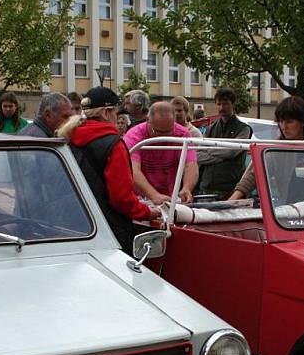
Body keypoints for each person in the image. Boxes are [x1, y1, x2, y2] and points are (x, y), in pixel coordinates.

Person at [56, 87, 159, 252]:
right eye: (116, 112)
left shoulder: (69, 138)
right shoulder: (113, 144)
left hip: (72, 226)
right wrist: (147, 212)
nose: (118, 117)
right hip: (107, 231)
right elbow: (122, 198)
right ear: (106, 112)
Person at [230, 96, 304, 203]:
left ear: (302, 122)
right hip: (292, 211)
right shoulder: (277, 148)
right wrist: (233, 200)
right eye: (281, 121)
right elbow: (254, 174)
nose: (284, 127)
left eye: (289, 122)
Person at [124, 101, 199, 204]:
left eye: (169, 132)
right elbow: (132, 169)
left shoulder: (183, 134)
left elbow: (191, 164)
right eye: (158, 132)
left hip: (168, 196)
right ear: (148, 120)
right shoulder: (134, 135)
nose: (163, 138)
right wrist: (153, 194)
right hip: (138, 198)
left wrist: (187, 188)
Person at [196, 88, 252, 199]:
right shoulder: (210, 128)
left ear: (233, 104)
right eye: (219, 104)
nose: (222, 107)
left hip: (231, 189)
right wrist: (224, 156)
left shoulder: (243, 129)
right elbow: (198, 155)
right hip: (207, 188)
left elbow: (231, 152)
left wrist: (209, 150)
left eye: (225, 104)